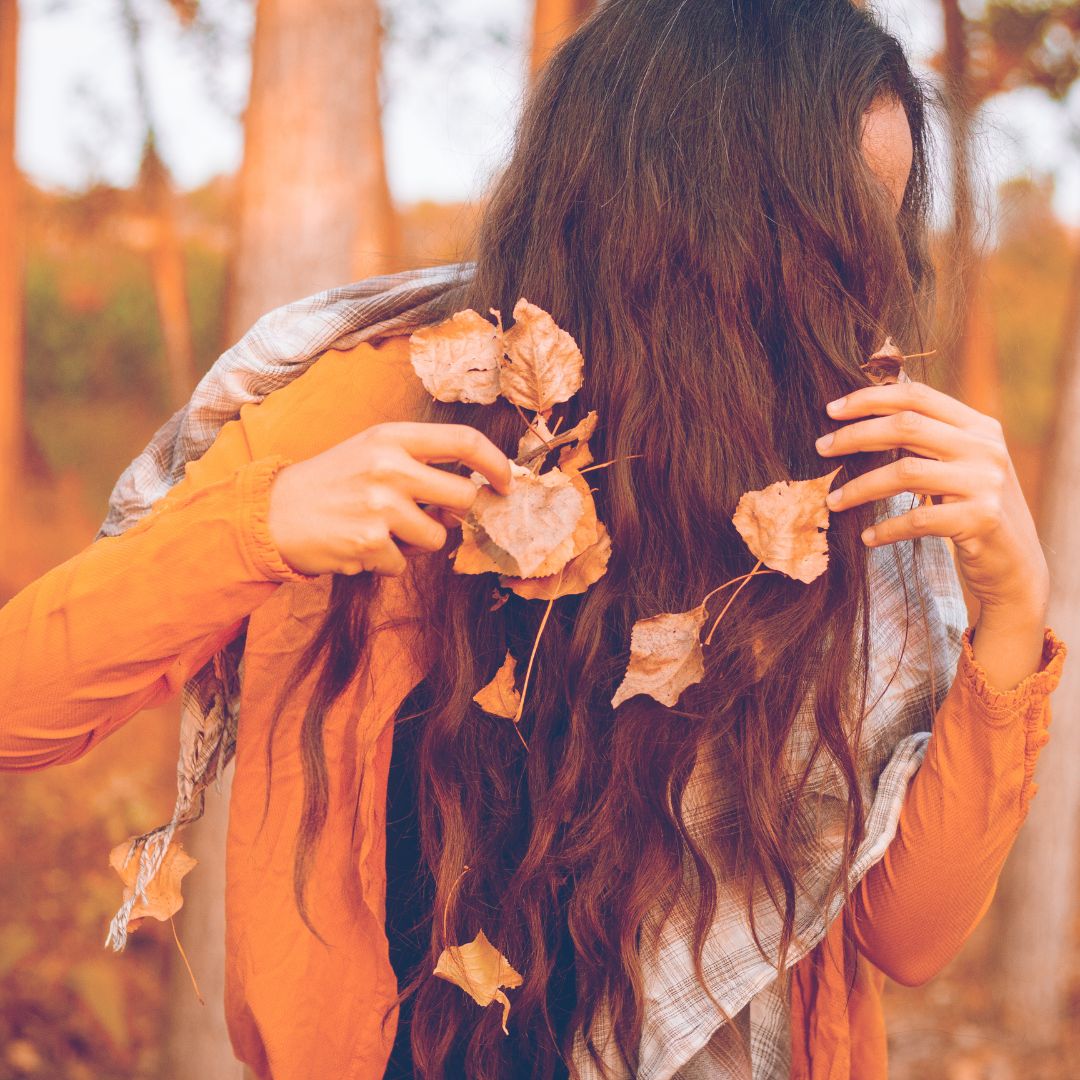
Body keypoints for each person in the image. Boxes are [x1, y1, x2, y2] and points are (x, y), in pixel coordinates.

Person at [0, 1, 1067, 1078]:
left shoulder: (850, 472)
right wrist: (258, 528)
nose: (862, 294)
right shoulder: (389, 400)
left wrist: (1014, 616)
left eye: (881, 241)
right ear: (682, 216)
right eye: (832, 240)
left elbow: (907, 939)